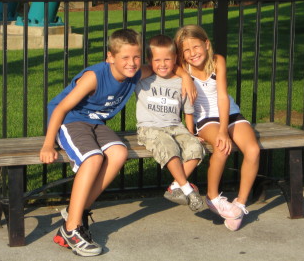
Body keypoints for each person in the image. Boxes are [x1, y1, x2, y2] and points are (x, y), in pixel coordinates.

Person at [39, 29, 196, 257]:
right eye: (125, 58)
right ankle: (72, 228)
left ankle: (77, 212)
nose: (132, 63)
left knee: (119, 153)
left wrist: (187, 77)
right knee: (93, 159)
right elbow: (62, 107)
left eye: (135, 57)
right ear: (110, 57)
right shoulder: (94, 77)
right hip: (70, 121)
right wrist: (47, 144)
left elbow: (162, 66)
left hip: (95, 124)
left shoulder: (133, 74)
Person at [174, 25, 260, 231]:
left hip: (229, 113)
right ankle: (213, 197)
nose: (192, 53)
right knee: (221, 148)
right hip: (204, 118)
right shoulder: (182, 68)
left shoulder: (217, 61)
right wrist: (185, 76)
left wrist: (224, 129)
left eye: (196, 47)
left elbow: (222, 96)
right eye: (186, 50)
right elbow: (162, 65)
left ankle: (239, 204)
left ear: (206, 44)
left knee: (253, 150)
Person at [135, 34, 205, 211]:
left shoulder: (183, 82)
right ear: (149, 60)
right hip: (150, 128)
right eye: (157, 60)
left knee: (196, 148)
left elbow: (188, 112)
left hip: (176, 127)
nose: (163, 64)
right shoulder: (142, 79)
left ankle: (174, 187)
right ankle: (188, 189)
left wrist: (191, 134)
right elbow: (128, 71)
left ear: (175, 59)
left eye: (167, 59)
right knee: (169, 147)